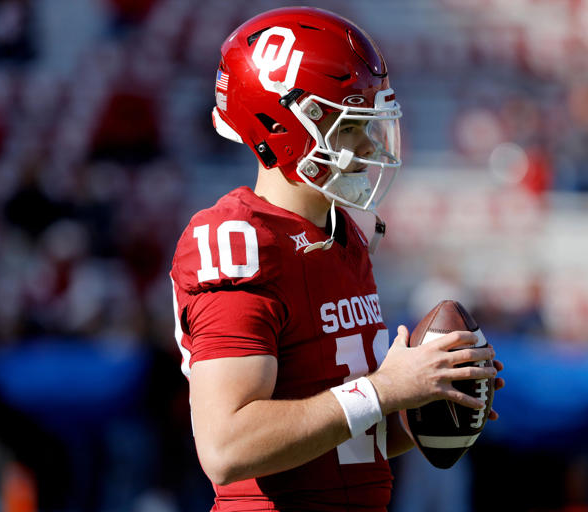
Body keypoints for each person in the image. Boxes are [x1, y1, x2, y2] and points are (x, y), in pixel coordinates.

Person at [169, 7, 504, 511]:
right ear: (288, 126)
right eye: (351, 127)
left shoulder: (342, 234)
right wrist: (385, 389)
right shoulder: (239, 238)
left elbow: (347, 441)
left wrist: (427, 395)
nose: (369, 144)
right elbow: (226, 445)